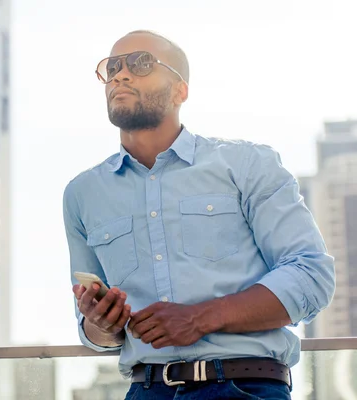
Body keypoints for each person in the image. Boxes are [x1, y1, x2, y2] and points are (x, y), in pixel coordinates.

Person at [62, 30, 335, 400]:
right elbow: (95, 335)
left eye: (140, 63)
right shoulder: (82, 194)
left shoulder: (247, 164)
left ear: (180, 90)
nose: (121, 75)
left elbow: (311, 275)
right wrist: (101, 324)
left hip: (245, 387)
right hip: (144, 390)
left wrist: (202, 317)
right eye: (112, 67)